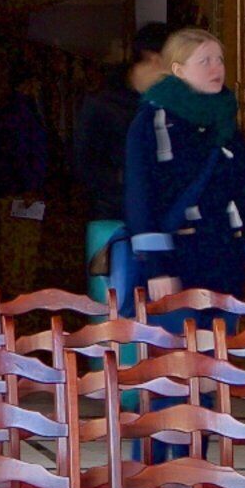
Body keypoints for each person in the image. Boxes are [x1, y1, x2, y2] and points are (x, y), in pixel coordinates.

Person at [121, 27, 245, 308]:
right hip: (175, 260)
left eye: (220, 60)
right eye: (205, 61)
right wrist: (158, 268)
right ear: (178, 70)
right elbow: (140, 195)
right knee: (176, 349)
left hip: (224, 260)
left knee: (220, 347)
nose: (217, 68)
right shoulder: (152, 123)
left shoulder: (226, 124)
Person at [73, 23, 175, 299]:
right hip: (113, 219)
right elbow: (85, 166)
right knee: (115, 311)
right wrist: (131, 184)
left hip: (164, 222)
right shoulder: (102, 104)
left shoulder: (173, 104)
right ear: (155, 58)